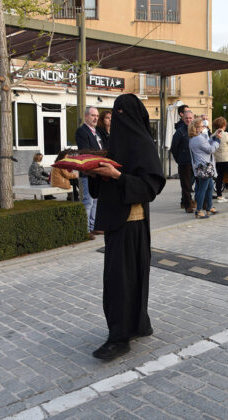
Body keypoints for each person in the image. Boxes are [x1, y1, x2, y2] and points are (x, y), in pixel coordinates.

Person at [86, 94, 165, 361]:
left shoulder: (142, 143)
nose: (116, 118)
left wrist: (118, 176)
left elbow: (151, 186)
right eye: (114, 112)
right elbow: (100, 189)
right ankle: (140, 324)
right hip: (115, 220)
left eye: (122, 112)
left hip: (132, 222)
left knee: (121, 281)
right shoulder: (114, 143)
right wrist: (94, 173)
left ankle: (119, 339)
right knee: (127, 278)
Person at [75, 106, 104, 236]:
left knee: (96, 200)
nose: (95, 118)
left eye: (97, 116)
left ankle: (94, 226)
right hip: (88, 172)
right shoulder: (82, 131)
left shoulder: (96, 132)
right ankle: (85, 230)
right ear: (86, 116)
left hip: (98, 171)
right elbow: (85, 151)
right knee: (88, 201)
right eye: (93, 115)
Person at [189, 118, 221, 218]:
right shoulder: (198, 139)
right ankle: (199, 210)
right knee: (202, 189)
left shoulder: (195, 138)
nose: (205, 127)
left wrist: (214, 137)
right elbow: (210, 149)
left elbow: (207, 142)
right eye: (203, 126)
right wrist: (218, 141)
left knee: (210, 186)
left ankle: (209, 207)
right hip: (204, 167)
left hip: (202, 166)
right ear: (197, 128)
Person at [170, 110, 195, 213]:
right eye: (186, 118)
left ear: (193, 118)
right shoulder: (179, 132)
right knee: (186, 185)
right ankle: (187, 205)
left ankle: (196, 202)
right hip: (184, 162)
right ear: (183, 119)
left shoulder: (196, 130)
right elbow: (174, 148)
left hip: (196, 162)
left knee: (196, 183)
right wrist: (179, 159)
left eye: (190, 118)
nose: (188, 120)